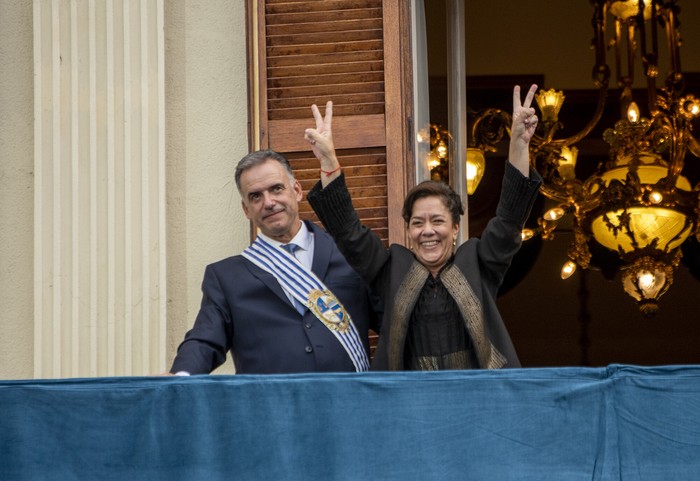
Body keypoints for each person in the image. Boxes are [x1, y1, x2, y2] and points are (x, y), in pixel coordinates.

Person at [305, 85, 542, 371]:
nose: (427, 230)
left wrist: (518, 143)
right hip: (410, 404)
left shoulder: (479, 262)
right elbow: (348, 232)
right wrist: (328, 161)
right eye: (418, 223)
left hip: (480, 400)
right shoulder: (391, 269)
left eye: (438, 221)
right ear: (408, 230)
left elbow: (508, 221)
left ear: (455, 228)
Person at [168, 150, 381, 375]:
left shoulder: (350, 256)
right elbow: (205, 340)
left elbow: (394, 322)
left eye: (276, 188)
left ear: (297, 190)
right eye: (255, 196)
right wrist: (181, 377)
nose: (268, 202)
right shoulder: (225, 278)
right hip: (270, 408)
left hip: (349, 405)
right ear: (246, 209)